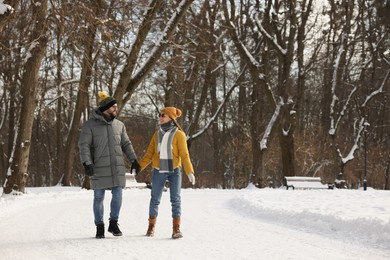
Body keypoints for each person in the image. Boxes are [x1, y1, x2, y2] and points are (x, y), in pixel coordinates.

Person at [78, 91, 140, 239]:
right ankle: (99, 226)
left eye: (116, 107)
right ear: (105, 108)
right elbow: (84, 145)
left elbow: (126, 144)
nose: (116, 110)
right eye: (113, 107)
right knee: (98, 197)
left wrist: (134, 160)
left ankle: (113, 223)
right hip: (98, 166)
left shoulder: (119, 125)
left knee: (118, 194)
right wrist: (87, 162)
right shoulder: (90, 125)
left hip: (117, 166)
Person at [138, 106, 195, 239]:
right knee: (155, 199)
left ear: (171, 117)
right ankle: (151, 227)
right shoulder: (157, 134)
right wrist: (139, 166)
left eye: (163, 115)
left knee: (175, 199)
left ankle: (176, 229)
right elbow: (149, 153)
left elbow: (185, 155)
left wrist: (189, 171)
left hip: (175, 170)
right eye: (160, 115)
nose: (160, 117)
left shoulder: (179, 134)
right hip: (159, 170)